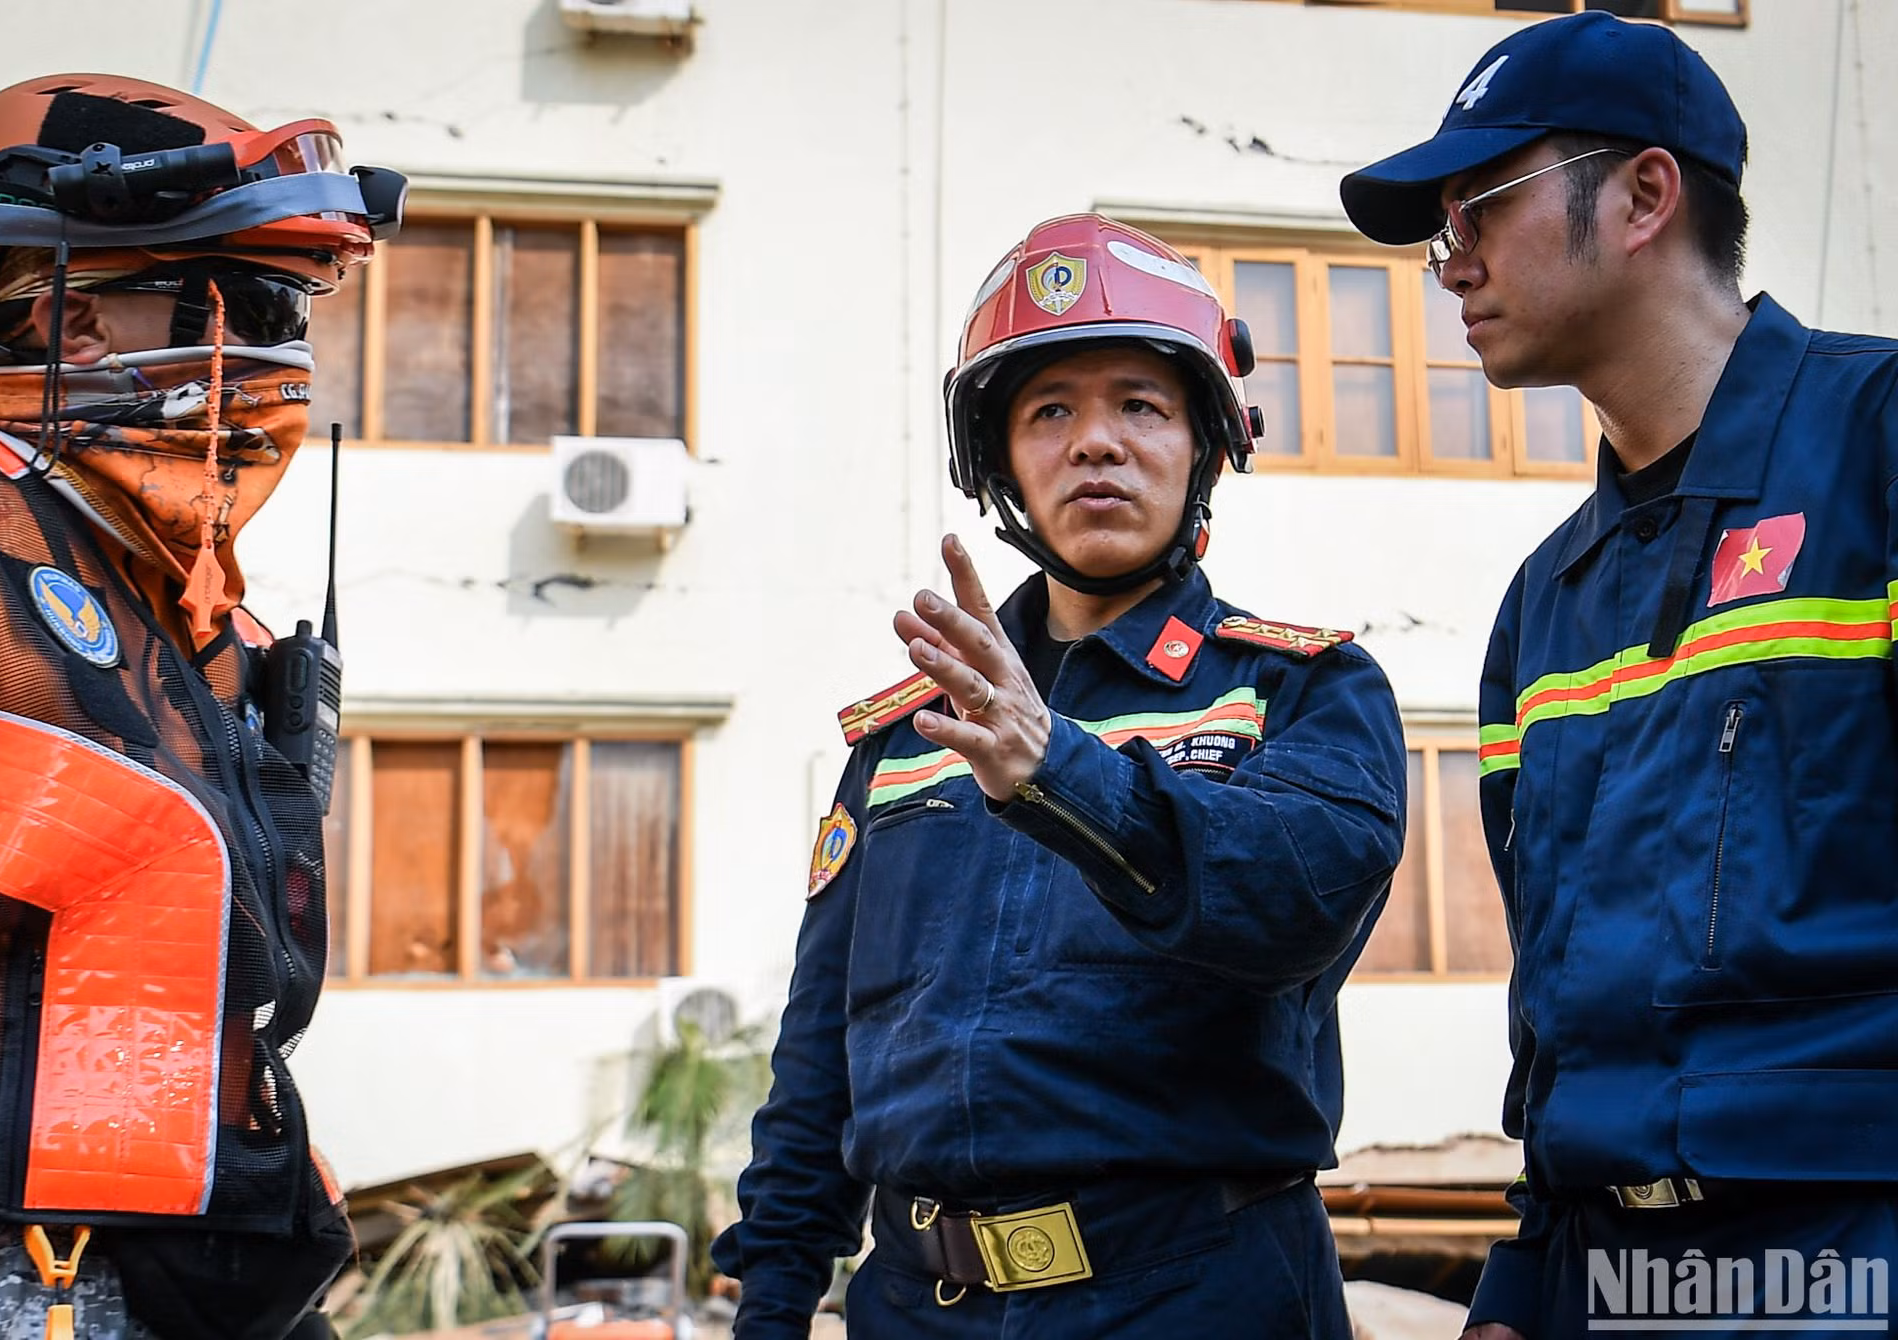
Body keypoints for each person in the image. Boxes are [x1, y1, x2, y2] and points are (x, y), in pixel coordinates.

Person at [711, 213, 1406, 1338]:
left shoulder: (1302, 690)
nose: (1095, 441)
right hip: (916, 1305)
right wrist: (774, 1296)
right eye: (1049, 411)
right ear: (1001, 466)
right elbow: (821, 1057)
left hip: (1195, 1297)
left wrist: (1059, 769)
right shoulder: (903, 736)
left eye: (1138, 402)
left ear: (1206, 444)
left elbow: (1294, 905)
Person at [1341, 12, 1898, 1339]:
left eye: (1481, 202)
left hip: (1849, 1256)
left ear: (1646, 194)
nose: (1449, 259)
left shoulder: (1875, 449)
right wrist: (1526, 1282)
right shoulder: (1545, 605)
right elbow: (1554, 1012)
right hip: (1600, 1267)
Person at [0, 74, 404, 1338]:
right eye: (220, 293)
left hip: (192, 1263)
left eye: (282, 301)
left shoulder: (204, 622)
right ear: (65, 319)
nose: (271, 342)